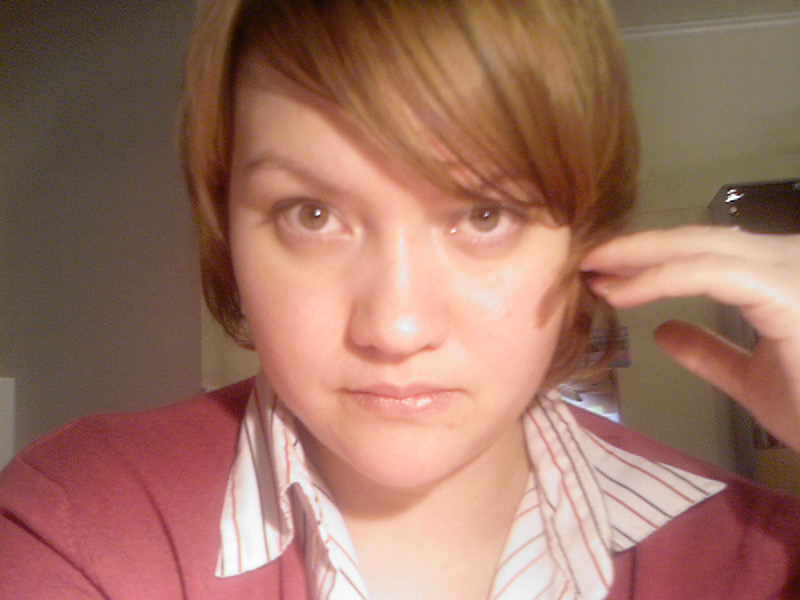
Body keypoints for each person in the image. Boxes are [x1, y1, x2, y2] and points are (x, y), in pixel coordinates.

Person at [2, 0, 799, 598]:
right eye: (311, 215)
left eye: (484, 215)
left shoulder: (762, 562)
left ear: (584, 236)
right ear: (229, 230)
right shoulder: (84, 522)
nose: (396, 326)